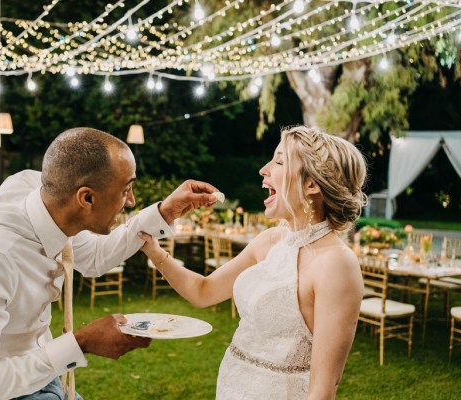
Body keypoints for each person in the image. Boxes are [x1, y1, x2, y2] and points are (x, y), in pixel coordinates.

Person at [0, 127, 219, 400]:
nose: (131, 201)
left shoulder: (40, 193)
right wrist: (81, 342)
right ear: (86, 197)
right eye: (126, 189)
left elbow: (96, 256)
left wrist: (164, 211)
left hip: (44, 375)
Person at [139, 126, 367, 399]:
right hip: (231, 387)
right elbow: (203, 292)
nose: (264, 169)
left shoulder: (336, 263)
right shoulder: (270, 240)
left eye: (280, 161)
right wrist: (153, 250)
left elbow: (323, 388)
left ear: (311, 184)